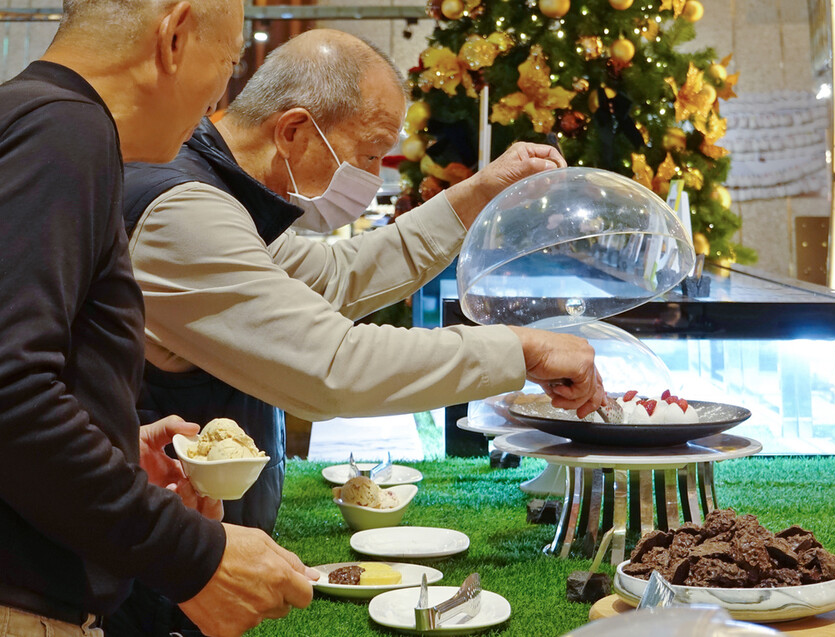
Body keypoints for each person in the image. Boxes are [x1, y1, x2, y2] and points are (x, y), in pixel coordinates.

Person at [122, 27, 606, 534]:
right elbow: (332, 366)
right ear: (294, 132)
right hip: (152, 568)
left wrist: (479, 194)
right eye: (371, 154)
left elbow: (335, 277)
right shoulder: (183, 212)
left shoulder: (225, 198)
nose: (376, 178)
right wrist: (520, 349)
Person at [0, 2, 319, 636]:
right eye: (228, 61)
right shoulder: (65, 131)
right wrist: (191, 554)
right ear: (174, 37)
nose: (222, 93)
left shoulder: (31, 117)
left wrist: (113, 441)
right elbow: (11, 393)